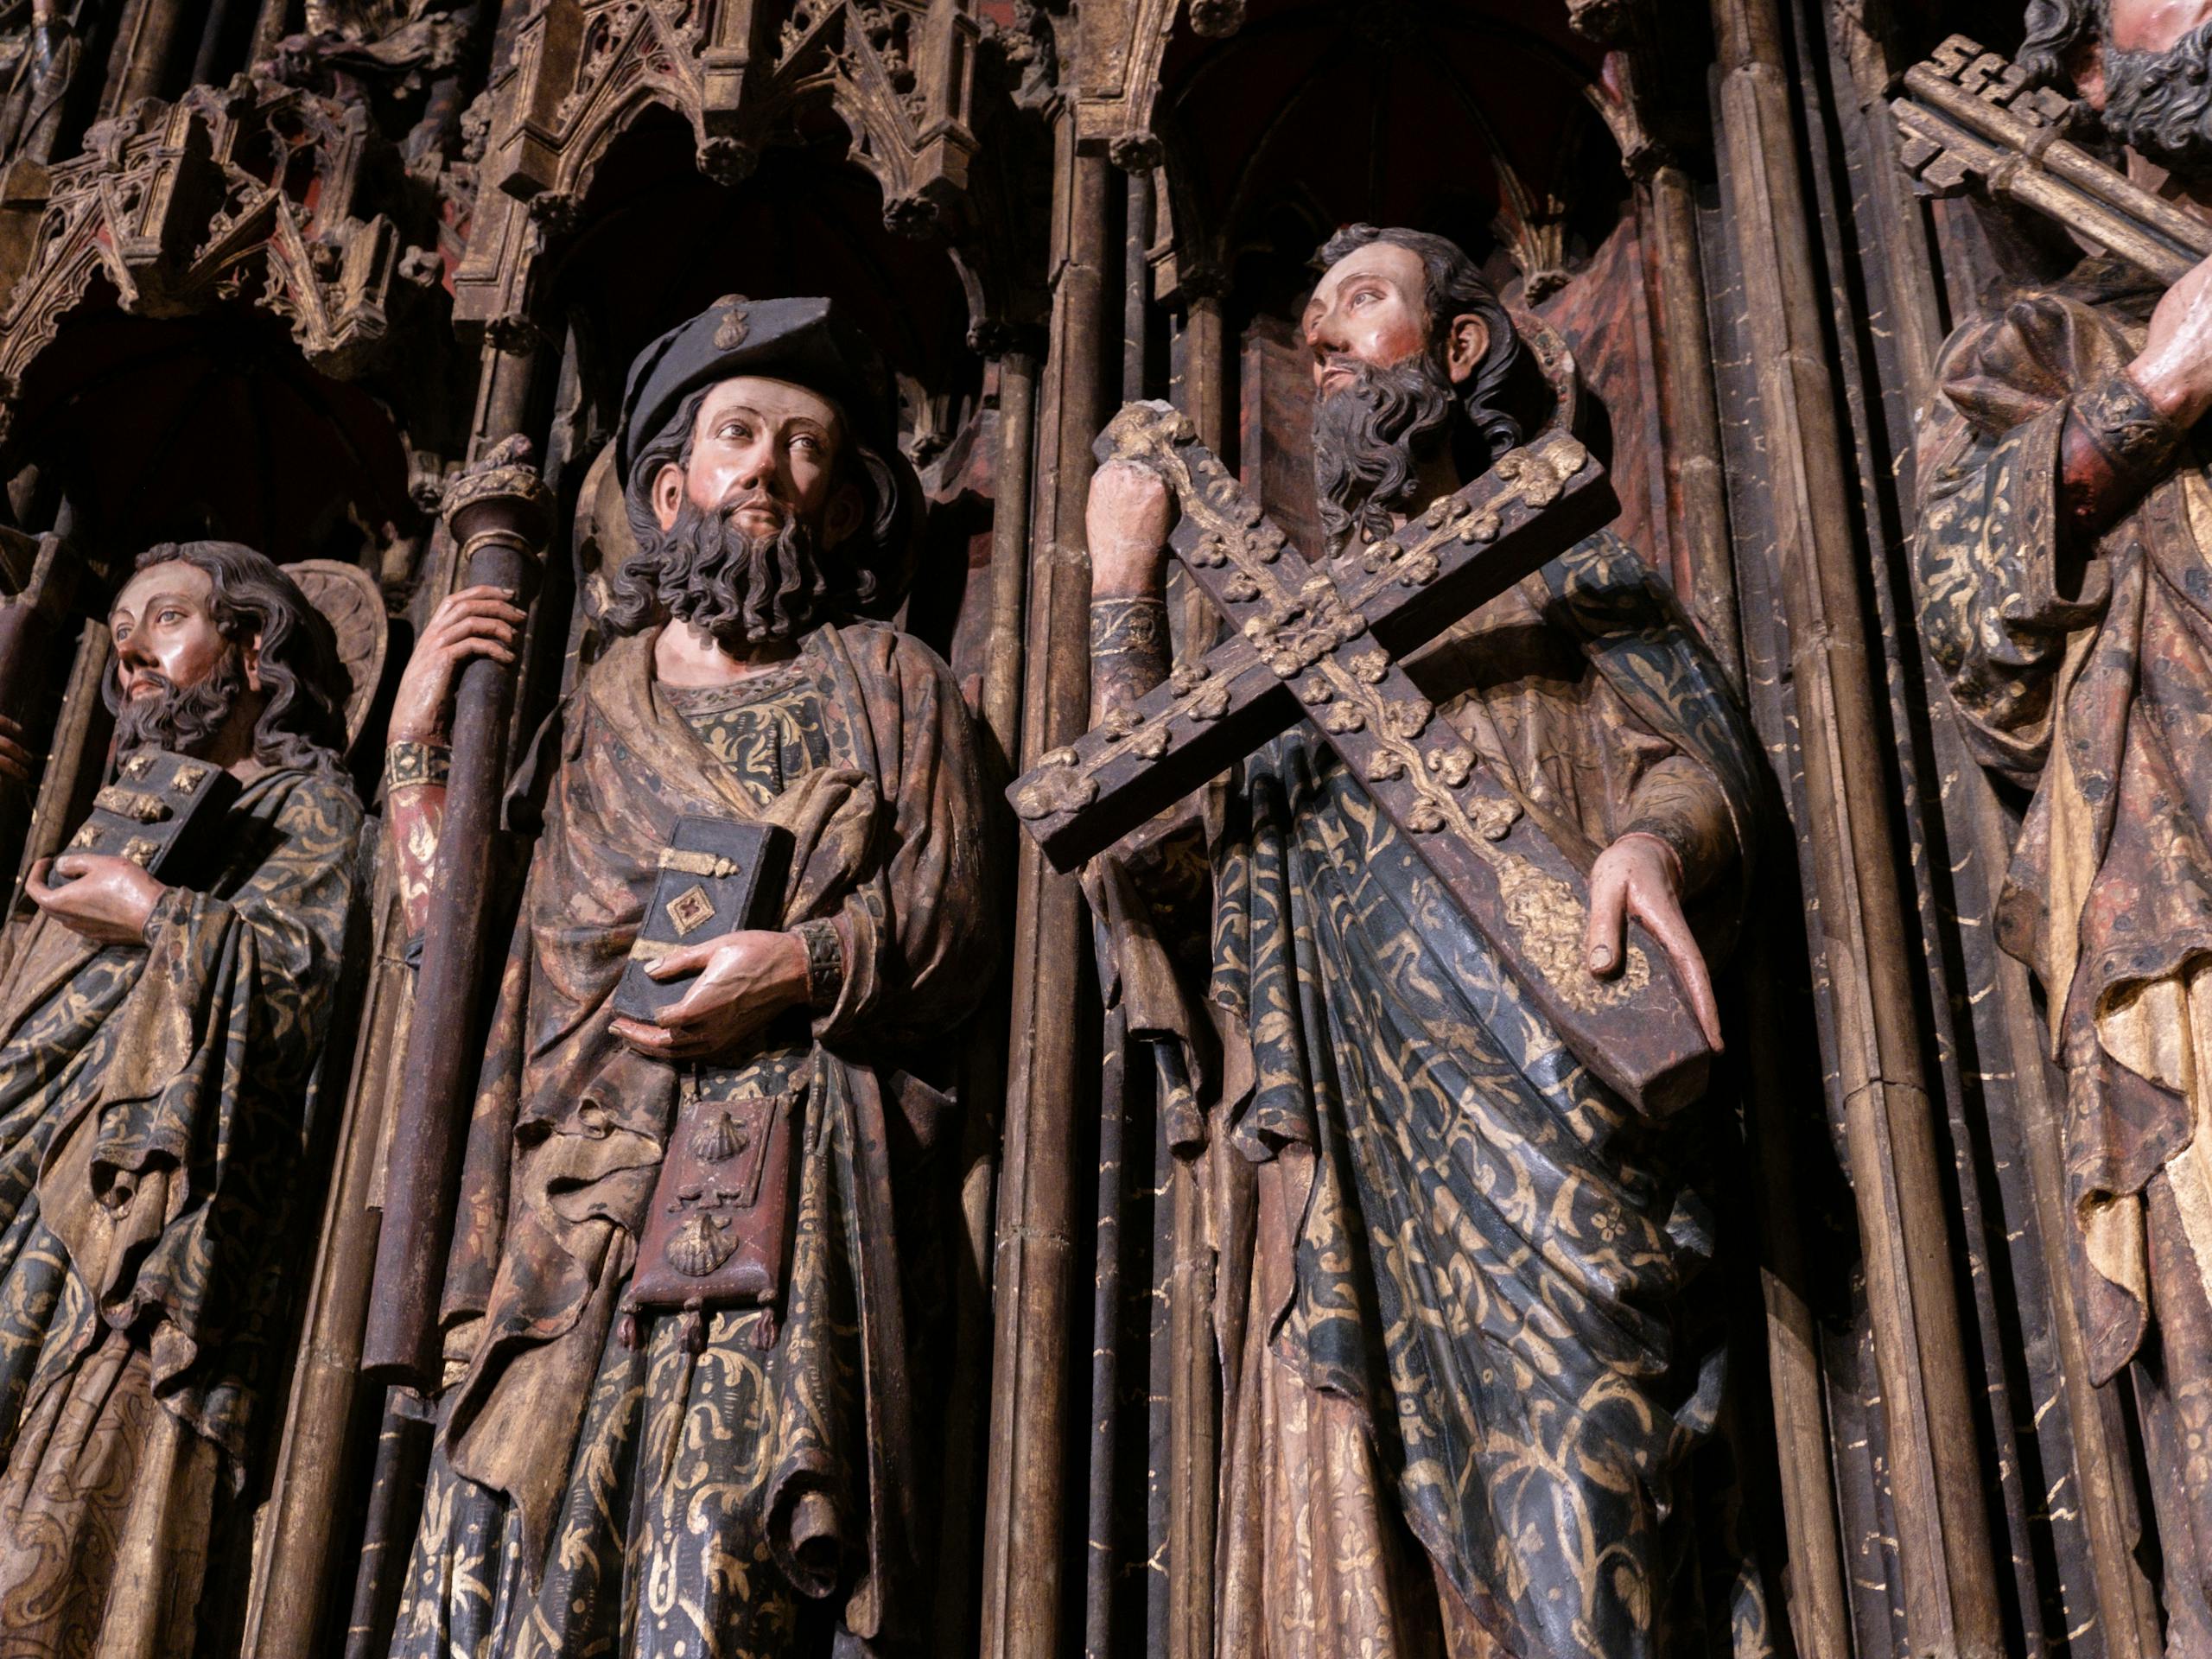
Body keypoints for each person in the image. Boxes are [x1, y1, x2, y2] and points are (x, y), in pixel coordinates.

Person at [1086, 226, 1763, 1656]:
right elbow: (1144, 860)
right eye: (1314, 318)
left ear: (1459, 350)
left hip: (1551, 1092)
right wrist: (1121, 601)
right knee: (1345, 1554)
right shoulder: (1266, 670)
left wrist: (1654, 846)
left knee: (1587, 1525)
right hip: (1333, 1150)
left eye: (1365, 304)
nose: (1324, 339)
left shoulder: (1547, 554)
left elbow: (1694, 755)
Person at [385, 296, 999, 1657]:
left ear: (841, 513)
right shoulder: (591, 712)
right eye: (738, 437)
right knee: (504, 1575)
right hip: (577, 1200)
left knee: (714, 1567)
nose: (768, 471)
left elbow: (953, 916)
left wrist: (798, 962)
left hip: (779, 1177)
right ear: (673, 490)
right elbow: (460, 978)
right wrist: (421, 753)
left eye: (806, 452)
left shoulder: (890, 683)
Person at [1914, 3, 2212, 1645]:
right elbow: (1965, 630)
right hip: (2194, 901)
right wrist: (2161, 384)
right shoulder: (2047, 338)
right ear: (2092, 75)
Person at [0, 541, 360, 1654]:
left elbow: (307, 981)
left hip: (147, 1214)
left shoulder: (308, 808)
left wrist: (156, 913)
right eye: (121, 646)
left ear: (250, 651)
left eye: (165, 624)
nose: (137, 661)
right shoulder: (105, 821)